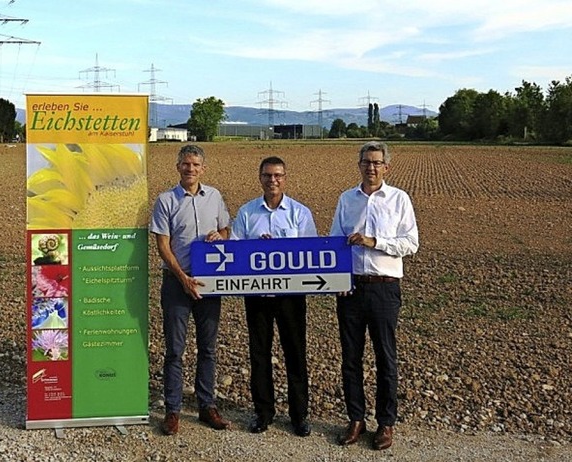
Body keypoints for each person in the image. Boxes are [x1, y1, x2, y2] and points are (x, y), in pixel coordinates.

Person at [330, 141, 419, 450]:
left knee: (385, 358)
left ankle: (385, 423)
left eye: (377, 162)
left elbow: (411, 243)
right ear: (360, 165)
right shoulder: (346, 199)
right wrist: (337, 278)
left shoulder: (399, 200)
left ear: (386, 168)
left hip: (384, 287)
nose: (371, 167)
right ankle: (355, 419)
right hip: (351, 288)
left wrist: (375, 241)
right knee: (350, 359)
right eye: (366, 162)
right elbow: (334, 242)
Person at [231, 156, 317, 437]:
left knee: (295, 353)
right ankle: (263, 412)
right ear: (260, 178)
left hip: (291, 296)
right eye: (267, 175)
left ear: (285, 177)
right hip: (257, 294)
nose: (273, 180)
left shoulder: (300, 213)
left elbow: (310, 253)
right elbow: (235, 251)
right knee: (259, 354)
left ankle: (299, 415)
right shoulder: (246, 214)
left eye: (278, 175)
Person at [150, 144, 232, 436]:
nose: (190, 169)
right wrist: (183, 278)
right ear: (178, 167)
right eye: (186, 164)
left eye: (196, 165)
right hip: (176, 282)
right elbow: (162, 245)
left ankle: (206, 405)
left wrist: (218, 236)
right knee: (175, 350)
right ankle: (172, 410)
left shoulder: (215, 197)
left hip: (209, 282)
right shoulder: (165, 200)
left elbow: (226, 231)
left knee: (208, 349)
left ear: (203, 169)